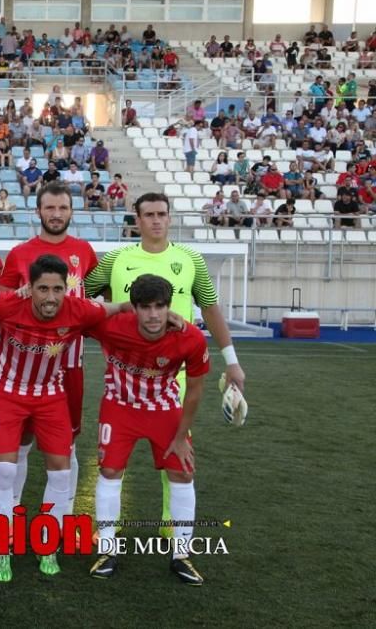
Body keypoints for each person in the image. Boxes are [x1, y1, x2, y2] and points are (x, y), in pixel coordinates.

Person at [0, 255, 134, 582]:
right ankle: (1, 548)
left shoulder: (78, 309)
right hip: (6, 392)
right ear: (29, 288)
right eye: (43, 289)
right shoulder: (8, 303)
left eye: (57, 289)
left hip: (50, 394)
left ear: (67, 289)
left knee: (62, 473)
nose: (51, 297)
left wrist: (135, 309)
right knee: (6, 470)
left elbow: (115, 308)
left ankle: (46, 544)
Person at [84, 192, 246, 538]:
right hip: (125, 375)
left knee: (175, 455)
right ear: (137, 220)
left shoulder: (190, 260)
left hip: (177, 375)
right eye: (149, 214)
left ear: (170, 218)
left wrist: (232, 361)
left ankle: (175, 532)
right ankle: (108, 532)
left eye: (162, 214)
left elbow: (211, 308)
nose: (157, 220)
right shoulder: (116, 259)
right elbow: (83, 295)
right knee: (115, 459)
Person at [87, 274, 209, 586]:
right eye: (145, 307)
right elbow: (80, 312)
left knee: (182, 471)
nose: (153, 315)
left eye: (160, 306)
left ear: (169, 306)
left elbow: (194, 390)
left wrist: (181, 437)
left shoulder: (191, 337)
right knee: (110, 471)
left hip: (164, 409)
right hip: (119, 406)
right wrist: (118, 307)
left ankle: (181, 554)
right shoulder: (111, 326)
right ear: (135, 307)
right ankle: (108, 549)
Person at [0, 183, 98, 522]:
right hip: (24, 370)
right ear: (38, 211)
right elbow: (1, 302)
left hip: (69, 364)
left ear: (72, 211)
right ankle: (10, 513)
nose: (56, 214)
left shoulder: (84, 251)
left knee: (66, 443)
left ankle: (63, 518)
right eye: (50, 208)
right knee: (20, 442)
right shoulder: (19, 254)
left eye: (63, 208)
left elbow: (92, 300)